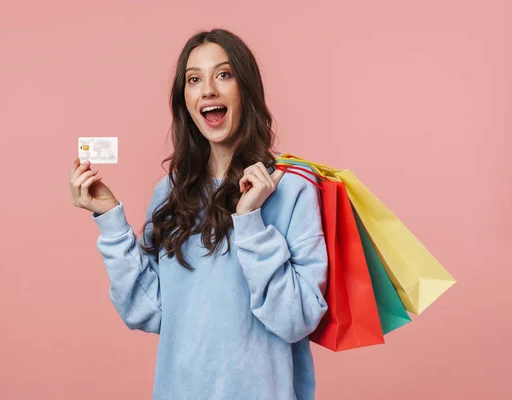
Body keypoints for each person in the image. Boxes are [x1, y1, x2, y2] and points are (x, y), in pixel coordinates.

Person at [69, 28, 329, 400]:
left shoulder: (291, 189)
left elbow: (296, 319)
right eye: (194, 79)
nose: (208, 89)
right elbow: (150, 310)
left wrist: (251, 223)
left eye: (223, 74)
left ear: (246, 90)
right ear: (185, 99)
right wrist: (110, 218)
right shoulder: (170, 194)